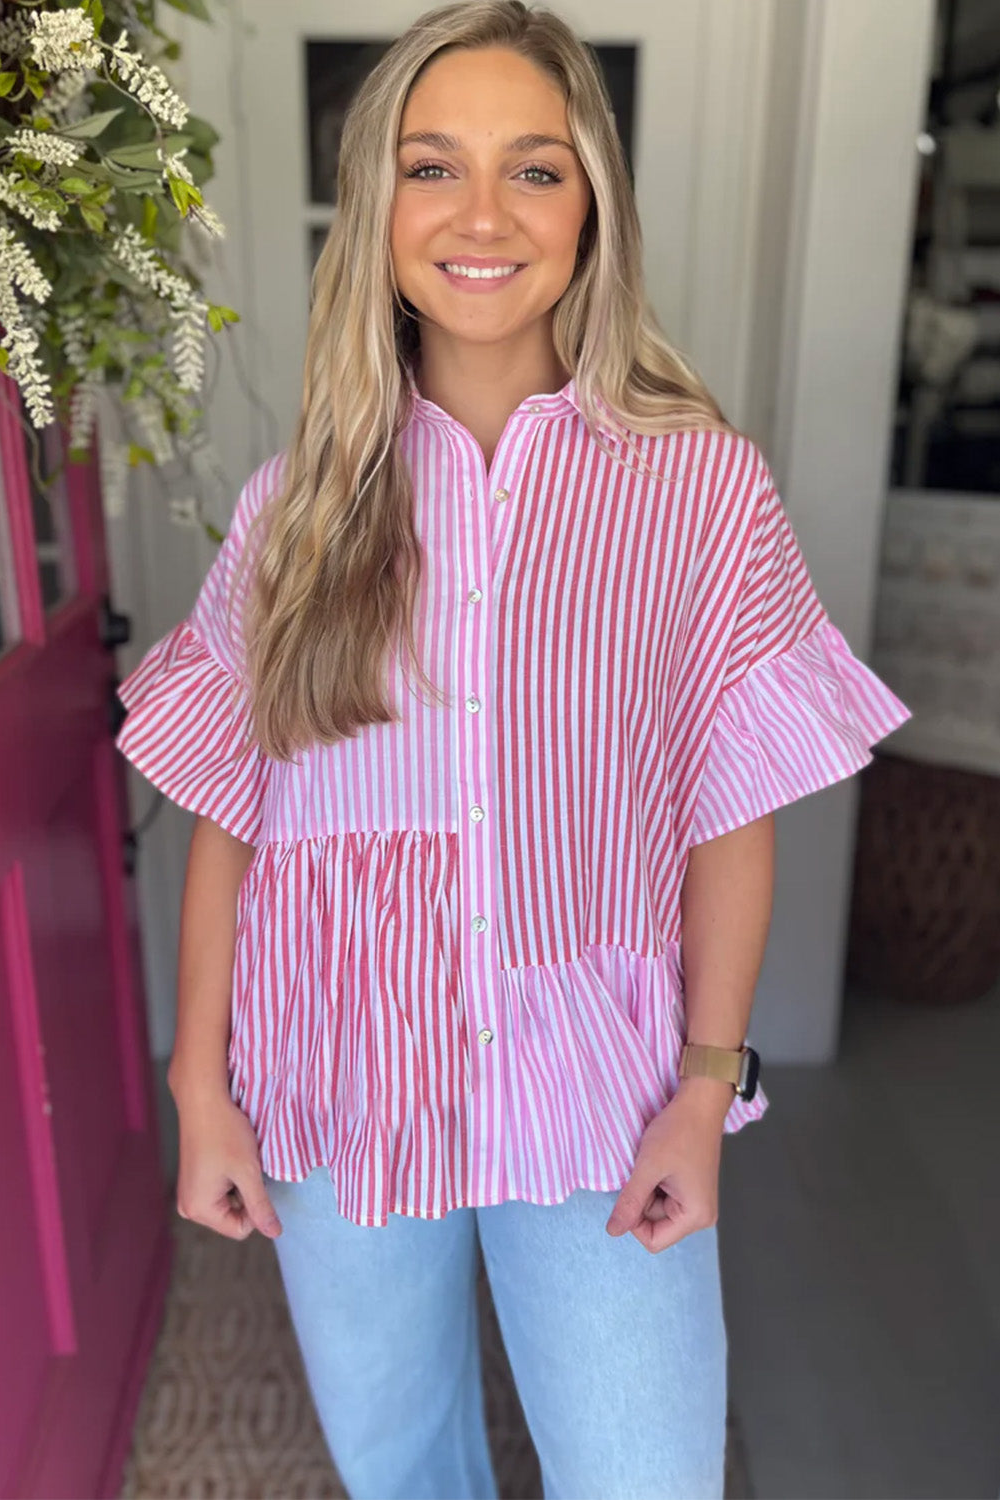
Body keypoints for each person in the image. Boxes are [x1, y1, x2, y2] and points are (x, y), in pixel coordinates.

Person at [114, 2, 911, 1496]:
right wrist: (199, 1085)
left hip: (600, 1090)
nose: (482, 214)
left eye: (534, 169)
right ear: (378, 208)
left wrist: (704, 1087)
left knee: (644, 1475)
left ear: (591, 206)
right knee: (398, 1463)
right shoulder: (297, 508)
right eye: (433, 166)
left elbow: (729, 812)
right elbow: (235, 805)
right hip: (341, 1074)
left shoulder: (700, 492)